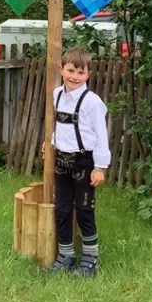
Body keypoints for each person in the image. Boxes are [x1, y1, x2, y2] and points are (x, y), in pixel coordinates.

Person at [42, 48, 110, 277]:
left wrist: (100, 167)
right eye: (70, 70)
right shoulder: (57, 95)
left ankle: (90, 260)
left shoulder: (92, 102)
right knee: (61, 210)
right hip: (61, 161)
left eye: (80, 72)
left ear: (88, 74)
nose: (74, 76)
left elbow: (101, 136)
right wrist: (49, 143)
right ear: (61, 70)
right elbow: (59, 127)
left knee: (84, 211)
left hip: (84, 163)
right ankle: (66, 256)